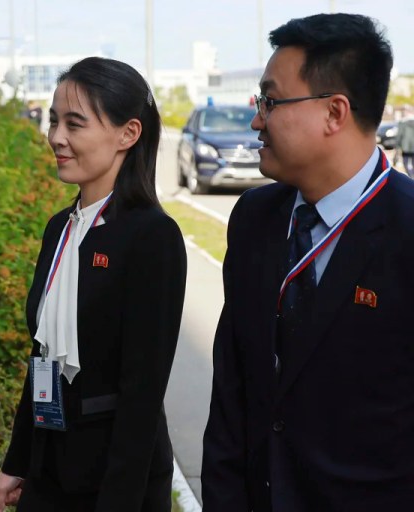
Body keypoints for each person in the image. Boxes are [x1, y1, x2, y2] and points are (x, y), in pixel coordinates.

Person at [202, 13, 414, 512]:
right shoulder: (255, 219)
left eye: (270, 101)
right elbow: (232, 396)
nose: (256, 119)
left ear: (334, 113)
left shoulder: (406, 231)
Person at [0, 56, 187, 512]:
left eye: (74, 124)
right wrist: (16, 462)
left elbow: (143, 393)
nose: (56, 137)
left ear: (128, 134)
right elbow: (41, 359)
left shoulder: (151, 237)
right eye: (54, 121)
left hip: (116, 482)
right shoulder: (60, 228)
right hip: (48, 468)